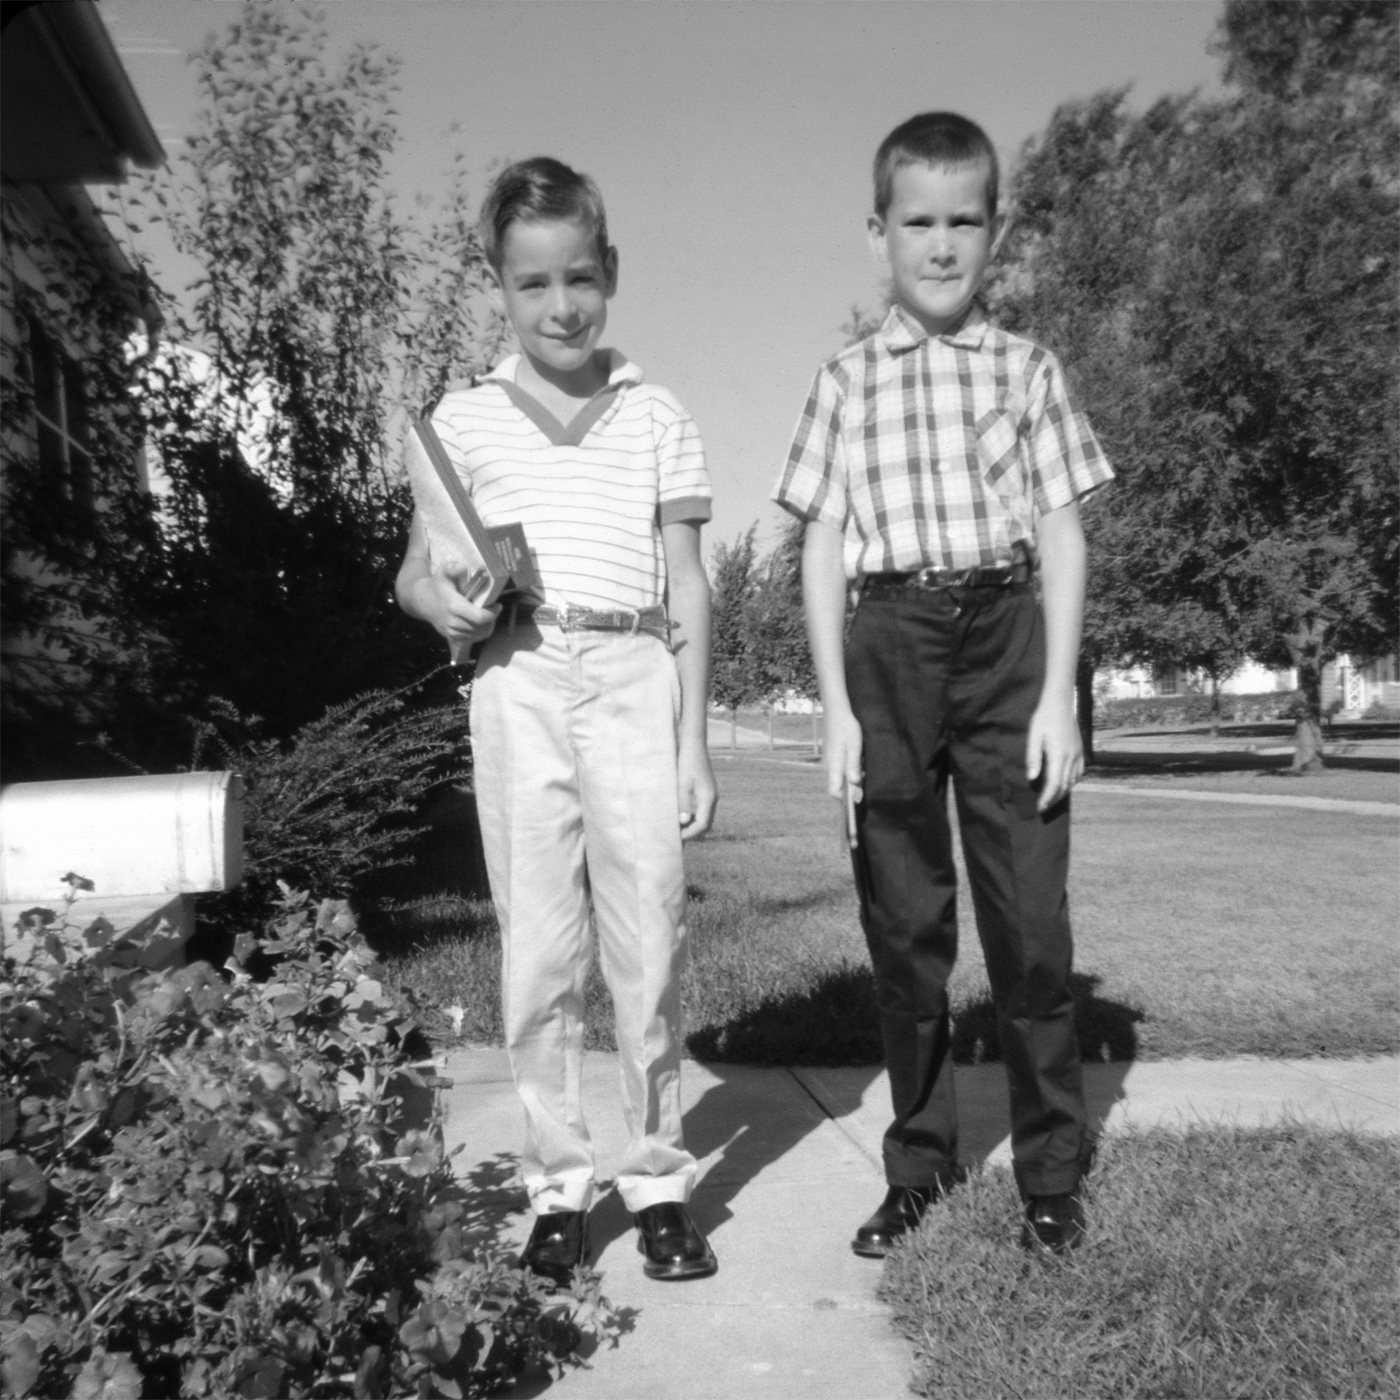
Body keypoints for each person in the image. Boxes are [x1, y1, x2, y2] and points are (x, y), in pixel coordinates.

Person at [773, 112, 1114, 1257]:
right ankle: (917, 1161)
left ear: (993, 228)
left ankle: (1050, 1172)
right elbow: (820, 546)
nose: (939, 243)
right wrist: (835, 704)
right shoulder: (842, 379)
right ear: (877, 233)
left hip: (1008, 635)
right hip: (889, 646)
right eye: (915, 220)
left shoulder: (1027, 367)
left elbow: (1063, 535)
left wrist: (1058, 693)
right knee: (906, 929)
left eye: (962, 219)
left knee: (1030, 931)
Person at [397, 157, 719, 1284]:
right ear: (499, 285)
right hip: (518, 675)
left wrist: (692, 740)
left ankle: (656, 1175)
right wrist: (440, 598)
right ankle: (556, 1181)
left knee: (647, 935)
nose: (560, 305)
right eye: (532, 284)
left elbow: (688, 580)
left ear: (610, 271)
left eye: (578, 277)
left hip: (634, 668)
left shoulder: (657, 412)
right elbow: (415, 576)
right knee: (537, 944)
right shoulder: (462, 420)